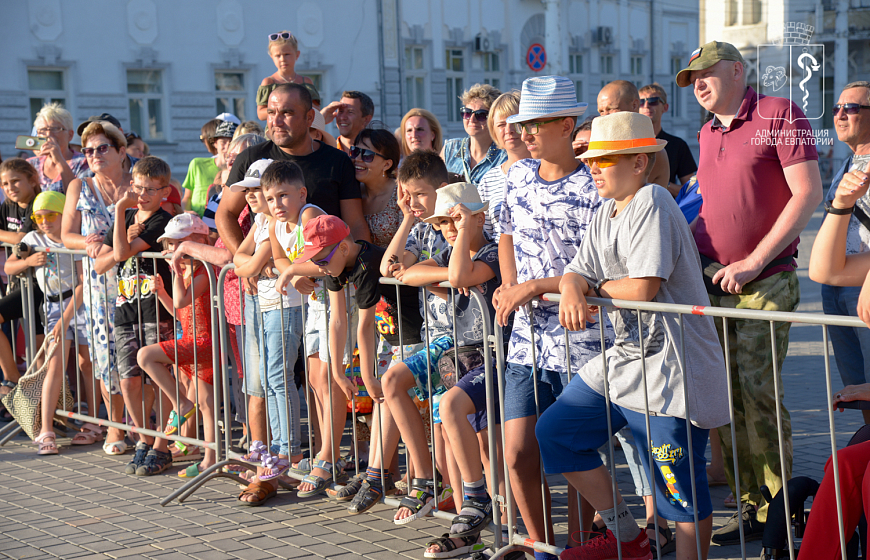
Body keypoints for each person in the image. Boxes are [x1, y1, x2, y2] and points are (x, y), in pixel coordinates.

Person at [541, 111, 730, 560]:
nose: (592, 168)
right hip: (626, 362)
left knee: (679, 494)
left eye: (603, 161)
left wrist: (591, 291)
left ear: (639, 163)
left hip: (672, 372)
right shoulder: (607, 210)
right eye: (590, 161)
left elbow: (643, 288)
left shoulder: (651, 201)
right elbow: (575, 272)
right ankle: (630, 537)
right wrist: (571, 287)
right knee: (555, 432)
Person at [675, 40, 823, 543]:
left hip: (766, 280)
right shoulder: (707, 130)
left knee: (759, 396)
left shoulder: (780, 113)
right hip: (715, 281)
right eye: (691, 76)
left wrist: (754, 260)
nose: (697, 82)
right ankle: (754, 508)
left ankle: (786, 512)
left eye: (706, 71)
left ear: (738, 70)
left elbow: (807, 194)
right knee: (726, 401)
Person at [494, 75, 605, 559]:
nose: (527, 133)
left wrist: (535, 287)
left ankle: (580, 546)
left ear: (566, 124)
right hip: (525, 341)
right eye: (522, 124)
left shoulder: (595, 182)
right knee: (517, 452)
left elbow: (601, 266)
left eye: (537, 124)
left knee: (574, 453)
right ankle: (542, 548)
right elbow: (505, 234)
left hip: (582, 337)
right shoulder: (517, 175)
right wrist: (507, 284)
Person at [418, 183, 506, 558]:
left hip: (500, 359)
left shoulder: (491, 252)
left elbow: (456, 278)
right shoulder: (459, 256)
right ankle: (485, 530)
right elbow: (404, 272)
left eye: (455, 219)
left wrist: (463, 239)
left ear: (479, 217)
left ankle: (480, 503)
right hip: (472, 362)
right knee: (485, 448)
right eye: (442, 223)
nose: (448, 230)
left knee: (494, 451)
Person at [217, 83, 370, 253]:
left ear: (310, 117)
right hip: (271, 274)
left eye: (287, 113)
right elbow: (225, 213)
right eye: (271, 112)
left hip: (326, 272)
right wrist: (249, 263)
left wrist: (358, 267)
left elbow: (355, 224)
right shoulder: (250, 158)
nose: (276, 121)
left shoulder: (337, 161)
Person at [232, 160, 307, 503]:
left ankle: (286, 446)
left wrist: (256, 264)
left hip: (285, 305)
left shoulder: (279, 225)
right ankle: (274, 445)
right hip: (263, 306)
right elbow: (240, 262)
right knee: (264, 378)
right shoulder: (263, 222)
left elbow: (260, 260)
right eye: (252, 191)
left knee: (278, 377)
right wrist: (252, 265)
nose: (255, 197)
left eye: (256, 191)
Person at [94, 156, 174, 476]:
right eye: (138, 188)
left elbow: (119, 254)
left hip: (155, 311)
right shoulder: (127, 217)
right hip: (126, 310)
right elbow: (103, 262)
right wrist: (123, 230)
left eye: (151, 190)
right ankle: (143, 438)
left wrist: (121, 230)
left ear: (164, 192)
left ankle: (162, 445)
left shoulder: (162, 220)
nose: (142, 195)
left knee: (158, 378)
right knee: (128, 380)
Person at [61, 121, 131, 456]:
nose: (94, 155)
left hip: (138, 282)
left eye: (102, 148)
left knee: (139, 352)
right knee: (107, 358)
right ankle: (115, 427)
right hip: (98, 286)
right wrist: (86, 243)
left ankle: (149, 429)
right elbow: (66, 235)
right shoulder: (80, 186)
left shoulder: (137, 184)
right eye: (88, 150)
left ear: (121, 150)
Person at [4, 191, 93, 454]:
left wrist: (65, 320)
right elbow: (10, 266)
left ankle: (92, 425)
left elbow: (82, 282)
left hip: (79, 303)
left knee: (87, 363)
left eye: (50, 215)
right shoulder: (33, 238)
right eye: (38, 216)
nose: (44, 221)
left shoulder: (71, 236)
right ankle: (46, 431)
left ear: (62, 213)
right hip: (53, 305)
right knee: (54, 365)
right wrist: (29, 261)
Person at [137, 213, 215, 477]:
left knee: (145, 356)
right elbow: (180, 311)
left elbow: (182, 301)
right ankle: (209, 458)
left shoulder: (203, 271)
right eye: (169, 245)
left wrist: (175, 270)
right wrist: (161, 294)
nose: (171, 251)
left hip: (203, 343)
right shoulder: (191, 271)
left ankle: (181, 404)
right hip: (192, 340)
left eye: (176, 244)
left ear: (198, 242)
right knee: (205, 403)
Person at [814, 81, 870, 424]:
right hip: (834, 289)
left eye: (851, 108)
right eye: (836, 108)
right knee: (859, 391)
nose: (840, 114)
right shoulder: (848, 163)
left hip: (863, 288)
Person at [0, 159, 44, 396]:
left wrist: (11, 237)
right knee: (34, 351)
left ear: (33, 179)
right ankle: (12, 378)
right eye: (4, 183)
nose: (10, 187)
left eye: (15, 180)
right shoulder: (7, 206)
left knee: (39, 352)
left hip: (42, 285)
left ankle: (48, 406)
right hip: (19, 282)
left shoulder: (39, 203)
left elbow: (21, 240)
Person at [596, 80, 672, 195]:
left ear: (634, 105)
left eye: (611, 109)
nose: (605, 117)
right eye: (601, 111)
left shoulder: (652, 151)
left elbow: (620, 193)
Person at [477, 90, 528, 242]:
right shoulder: (488, 180)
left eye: (516, 122)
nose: (509, 130)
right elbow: (484, 234)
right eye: (501, 124)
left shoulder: (547, 170)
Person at [442, 84, 507, 184]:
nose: (472, 119)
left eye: (481, 115)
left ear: (494, 118)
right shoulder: (450, 148)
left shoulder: (504, 156)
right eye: (467, 113)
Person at [638, 84, 698, 193]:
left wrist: (662, 182)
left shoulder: (678, 145)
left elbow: (691, 190)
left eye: (653, 101)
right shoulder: (630, 143)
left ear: (665, 107)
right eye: (641, 102)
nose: (646, 105)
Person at [26, 102, 88, 194]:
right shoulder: (31, 165)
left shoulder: (84, 162)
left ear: (70, 135)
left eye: (55, 129)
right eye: (43, 130)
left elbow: (80, 197)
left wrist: (59, 160)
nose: (48, 135)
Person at [256, 31, 314, 121]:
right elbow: (260, 114)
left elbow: (316, 109)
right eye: (278, 56)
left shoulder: (306, 82)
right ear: (272, 57)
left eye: (287, 54)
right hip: (277, 131)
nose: (282, 59)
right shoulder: (269, 83)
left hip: (302, 131)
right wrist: (281, 109)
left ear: (297, 55)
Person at [182, 118, 222, 216]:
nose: (203, 142)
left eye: (203, 138)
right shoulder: (197, 164)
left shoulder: (233, 168)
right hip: (196, 223)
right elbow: (187, 197)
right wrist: (186, 212)